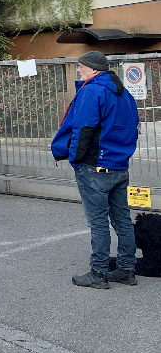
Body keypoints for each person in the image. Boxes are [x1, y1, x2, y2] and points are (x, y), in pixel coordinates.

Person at [52, 51, 140, 288]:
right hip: (119, 165)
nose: (78, 70)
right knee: (122, 219)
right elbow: (134, 126)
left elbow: (83, 129)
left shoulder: (92, 91)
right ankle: (126, 269)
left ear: (92, 70)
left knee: (98, 222)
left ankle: (99, 272)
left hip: (95, 166)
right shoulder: (123, 92)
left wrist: (75, 160)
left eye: (80, 67)